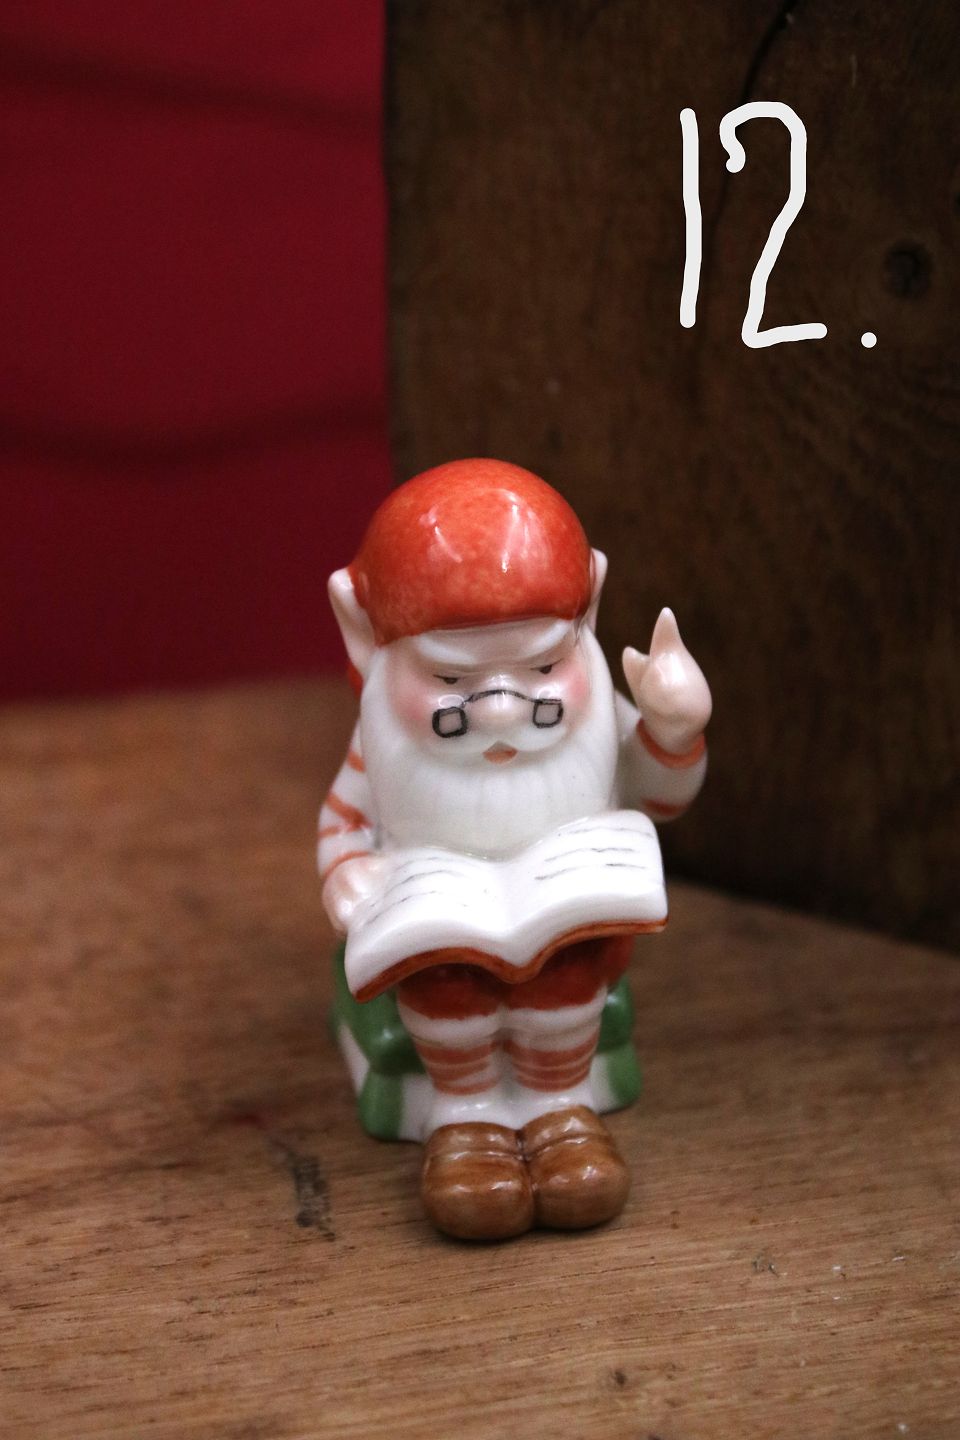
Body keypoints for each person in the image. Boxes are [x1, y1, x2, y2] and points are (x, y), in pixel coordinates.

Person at [319, 458, 711, 1239]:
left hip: (569, 927)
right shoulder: (383, 741)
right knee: (445, 981)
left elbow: (661, 796)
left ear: (587, 611)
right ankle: (467, 1122)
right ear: (367, 638)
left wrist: (673, 733)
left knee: (568, 969)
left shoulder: (595, 716)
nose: (500, 711)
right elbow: (343, 822)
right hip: (441, 931)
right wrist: (348, 871)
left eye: (541, 667)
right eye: (449, 678)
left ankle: (561, 1112)